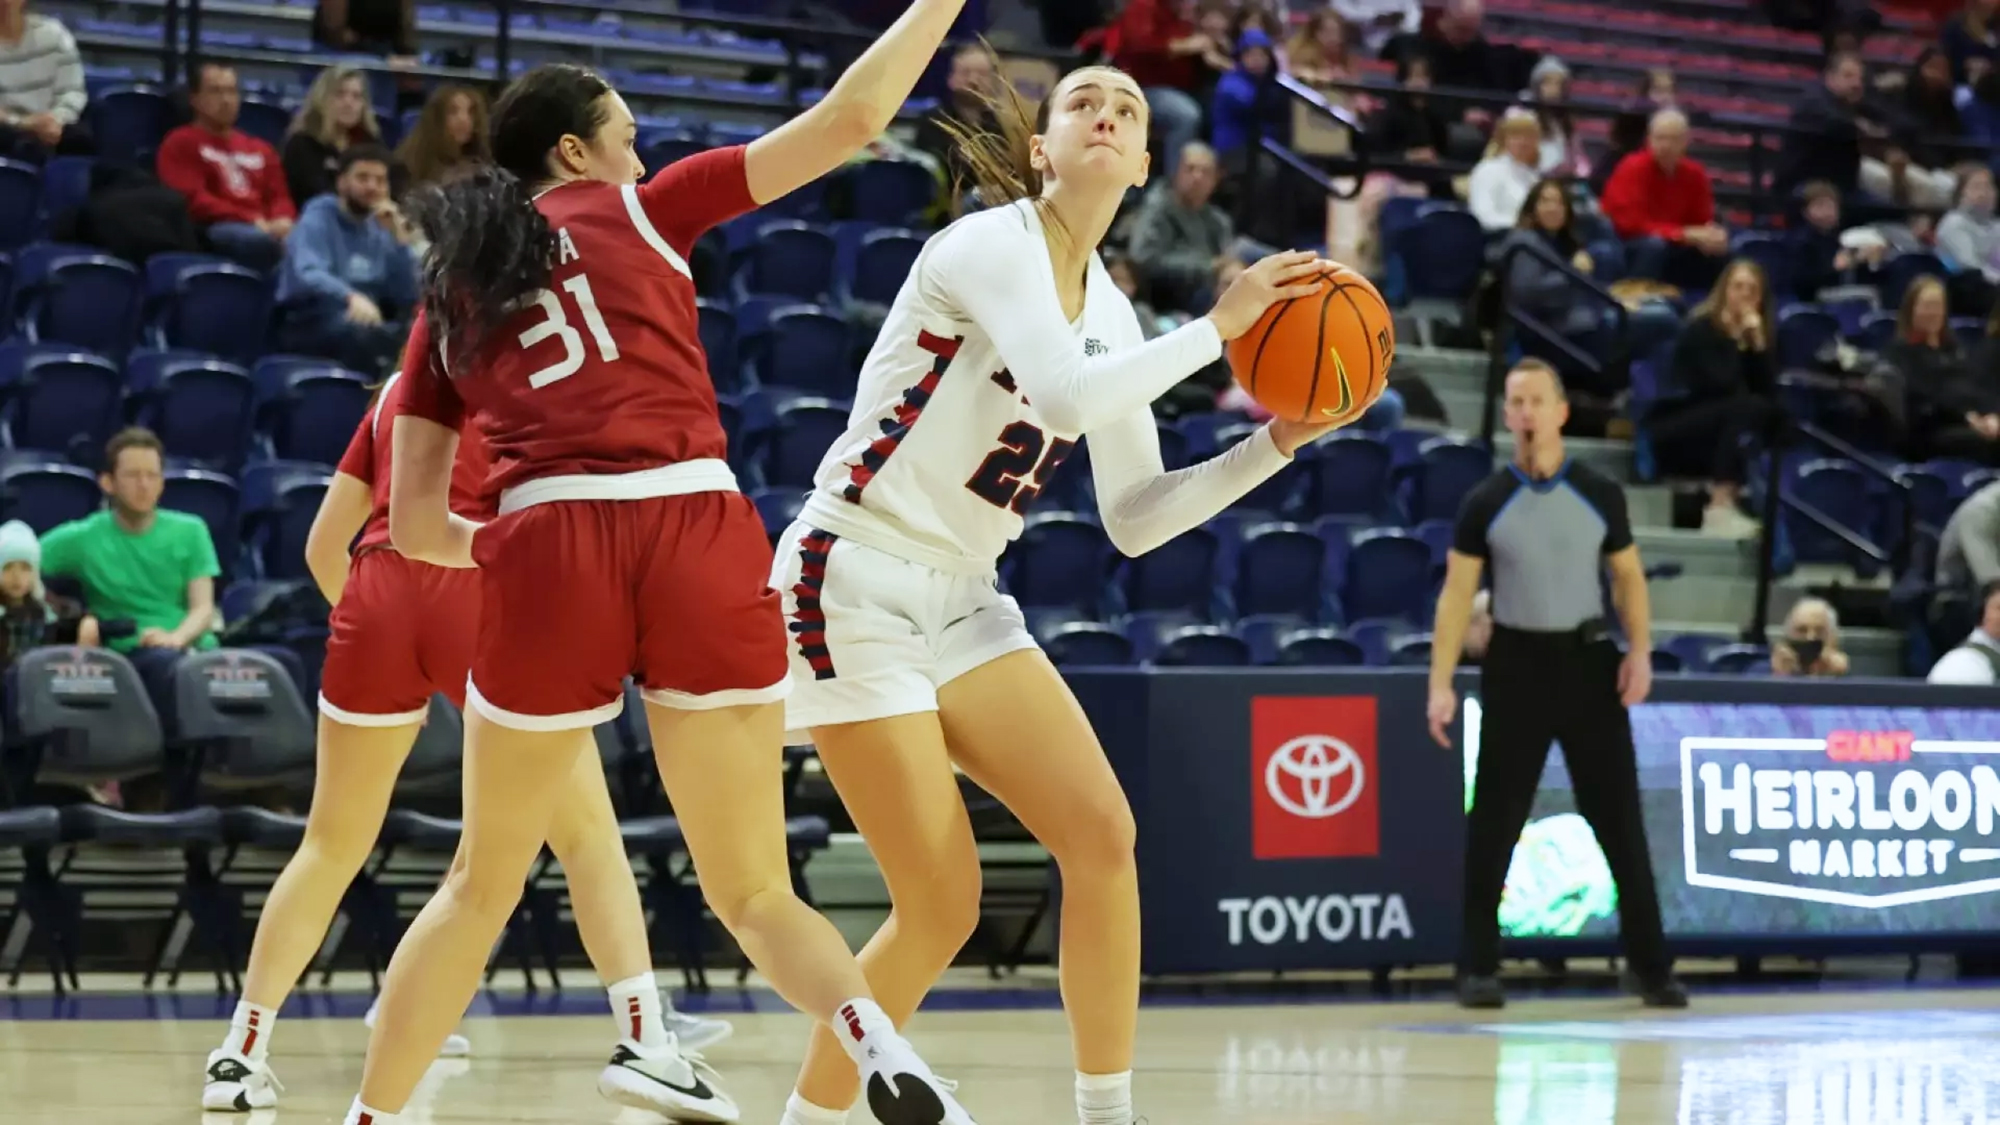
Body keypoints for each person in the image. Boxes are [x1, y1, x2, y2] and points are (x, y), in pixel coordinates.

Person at [350, 7, 979, 1121]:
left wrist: (509, 552)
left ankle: (370, 1118)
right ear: (576, 153)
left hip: (548, 534)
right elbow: (856, 116)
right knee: (751, 889)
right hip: (695, 520)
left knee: (479, 885)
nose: (640, 153)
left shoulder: (450, 285)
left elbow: (407, 527)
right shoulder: (647, 207)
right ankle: (877, 1045)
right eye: (628, 134)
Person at [767, 64, 1338, 1125]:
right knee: (939, 904)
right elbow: (1064, 394)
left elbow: (1133, 516)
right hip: (849, 569)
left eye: (1128, 109)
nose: (1109, 115)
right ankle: (811, 1120)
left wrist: (1273, 444)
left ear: (1144, 159)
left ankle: (1104, 1116)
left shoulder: (1115, 314)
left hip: (961, 590)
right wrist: (1217, 330)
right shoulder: (988, 244)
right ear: (1043, 147)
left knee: (1102, 835)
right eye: (1084, 103)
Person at [198, 367, 731, 1116]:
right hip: (476, 578)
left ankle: (238, 1053)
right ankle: (647, 1039)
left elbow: (325, 545)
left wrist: (388, 638)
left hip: (374, 588)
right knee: (584, 834)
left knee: (327, 844)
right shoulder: (538, 368)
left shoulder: (391, 390)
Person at [1427, 358, 1686, 1012]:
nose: (1527, 412)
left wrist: (1641, 652)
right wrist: (1440, 682)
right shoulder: (1485, 500)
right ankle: (1478, 967)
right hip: (1516, 664)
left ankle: (1651, 966)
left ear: (1561, 411)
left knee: (1620, 821)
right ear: (1508, 414)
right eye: (1517, 401)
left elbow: (1628, 578)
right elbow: (1457, 596)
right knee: (1494, 822)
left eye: (1538, 399)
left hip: (1588, 661)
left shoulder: (1600, 492)